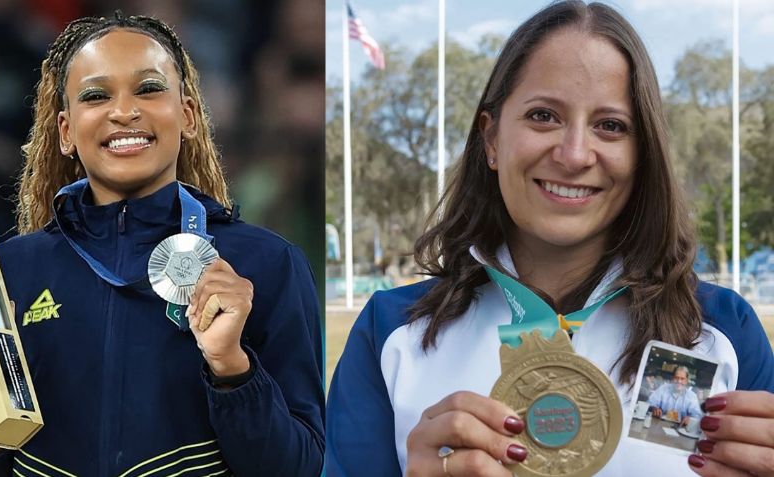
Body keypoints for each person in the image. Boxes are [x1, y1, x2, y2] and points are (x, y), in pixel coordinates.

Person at [325, 2, 774, 477]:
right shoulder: (390, 332)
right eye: (543, 116)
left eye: (610, 126)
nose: (575, 155)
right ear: (491, 139)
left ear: (642, 153)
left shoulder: (721, 329)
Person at [0, 13, 324, 476]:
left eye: (149, 89)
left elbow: (300, 467)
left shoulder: (265, 264)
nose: (123, 111)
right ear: (65, 132)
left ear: (188, 115)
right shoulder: (11, 272)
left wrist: (232, 367)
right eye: (96, 95)